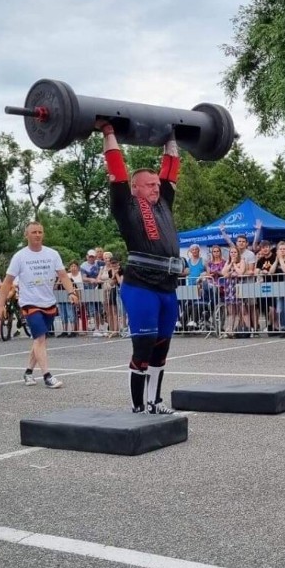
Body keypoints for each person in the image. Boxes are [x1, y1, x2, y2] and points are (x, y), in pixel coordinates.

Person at [99, 121, 182, 413]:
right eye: (150, 184)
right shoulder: (126, 204)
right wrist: (109, 132)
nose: (156, 187)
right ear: (135, 187)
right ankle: (137, 406)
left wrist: (171, 136)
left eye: (157, 184)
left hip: (167, 287)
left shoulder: (163, 204)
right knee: (144, 348)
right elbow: (118, 169)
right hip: (140, 286)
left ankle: (155, 401)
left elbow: (171, 170)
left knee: (162, 349)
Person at [0, 223, 78, 388]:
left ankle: (28, 372)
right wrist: (1, 305)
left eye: (40, 232)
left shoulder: (52, 254)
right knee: (40, 338)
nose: (37, 235)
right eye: (34, 232)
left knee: (38, 340)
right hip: (29, 303)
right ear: (26, 235)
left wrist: (71, 292)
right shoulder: (20, 257)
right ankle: (47, 376)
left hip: (48, 302)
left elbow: (63, 276)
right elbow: (7, 283)